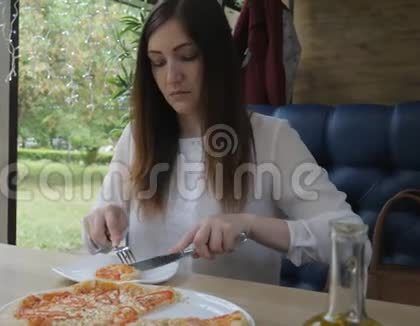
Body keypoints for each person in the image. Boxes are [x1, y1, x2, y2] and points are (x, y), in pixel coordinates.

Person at [80, 0, 371, 285]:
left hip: (237, 315)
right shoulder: (135, 137)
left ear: (217, 57)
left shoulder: (271, 138)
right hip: (142, 312)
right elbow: (94, 240)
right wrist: (101, 222)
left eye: (188, 56)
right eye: (158, 62)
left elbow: (353, 243)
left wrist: (249, 225)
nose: (171, 77)